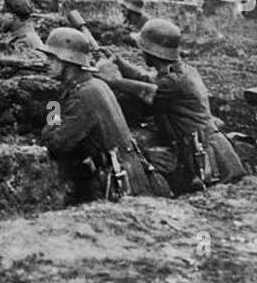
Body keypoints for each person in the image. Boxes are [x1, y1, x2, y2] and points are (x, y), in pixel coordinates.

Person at [96, 19, 245, 194]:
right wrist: (119, 62)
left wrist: (113, 81)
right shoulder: (182, 71)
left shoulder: (173, 81)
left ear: (152, 53)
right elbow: (148, 79)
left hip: (210, 157)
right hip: (211, 148)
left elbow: (149, 91)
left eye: (143, 49)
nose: (141, 52)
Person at [37, 28, 169, 203]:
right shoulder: (94, 84)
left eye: (52, 58)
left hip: (119, 182)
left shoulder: (84, 95)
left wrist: (52, 107)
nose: (46, 63)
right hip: (128, 172)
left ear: (68, 61)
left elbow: (55, 143)